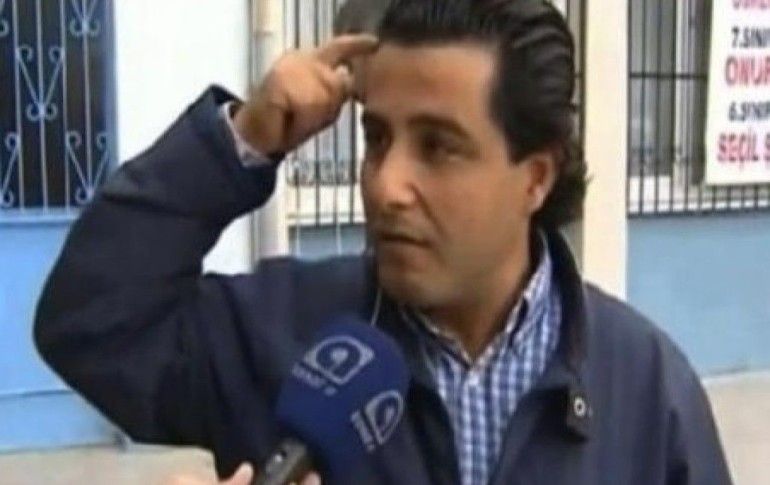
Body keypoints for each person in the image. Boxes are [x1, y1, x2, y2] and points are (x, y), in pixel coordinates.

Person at [34, 0, 732, 484]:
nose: (386, 183)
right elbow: (90, 326)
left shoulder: (644, 387)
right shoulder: (283, 334)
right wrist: (241, 141)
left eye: (439, 147)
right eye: (376, 138)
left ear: (535, 177)